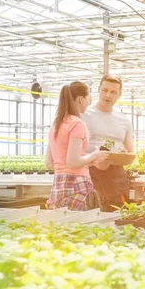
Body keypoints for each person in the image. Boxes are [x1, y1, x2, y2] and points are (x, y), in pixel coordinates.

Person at [45, 81, 109, 211]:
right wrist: (94, 155)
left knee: (62, 227)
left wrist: (90, 161)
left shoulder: (56, 125)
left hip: (59, 184)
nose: (89, 102)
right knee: (82, 227)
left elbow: (49, 163)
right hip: (77, 184)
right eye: (88, 98)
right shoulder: (77, 123)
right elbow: (73, 162)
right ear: (80, 99)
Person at [80, 75, 134, 211]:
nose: (108, 95)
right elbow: (72, 152)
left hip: (117, 176)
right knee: (94, 220)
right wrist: (93, 160)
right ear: (98, 90)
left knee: (119, 216)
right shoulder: (84, 115)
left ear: (119, 95)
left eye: (113, 92)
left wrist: (123, 157)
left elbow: (131, 152)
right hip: (89, 174)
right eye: (105, 90)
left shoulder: (124, 120)